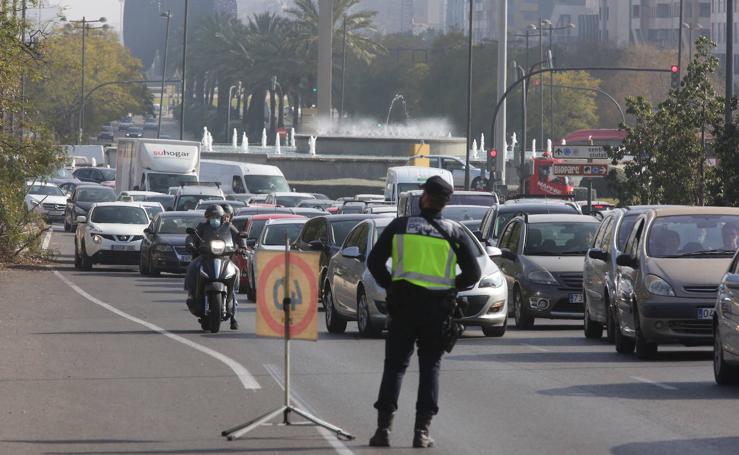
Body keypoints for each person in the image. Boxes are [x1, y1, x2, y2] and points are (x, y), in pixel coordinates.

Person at [366, 176, 481, 448]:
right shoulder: (455, 232)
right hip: (437, 310)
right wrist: (449, 287)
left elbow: (374, 261)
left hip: (403, 307)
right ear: (445, 203)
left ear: (424, 198)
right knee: (430, 367)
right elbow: (473, 273)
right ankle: (421, 432)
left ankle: (383, 430)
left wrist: (391, 285)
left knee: (394, 367)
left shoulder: (400, 226)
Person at [184, 204, 241, 330]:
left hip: (224, 257)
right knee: (193, 266)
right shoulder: (202, 227)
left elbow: (238, 236)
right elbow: (192, 237)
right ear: (207, 218)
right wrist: (191, 244)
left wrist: (241, 246)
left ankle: (233, 306)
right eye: (211, 217)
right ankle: (192, 294)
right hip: (205, 257)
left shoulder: (228, 227)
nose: (214, 219)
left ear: (222, 217)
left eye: (217, 217)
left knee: (235, 270)